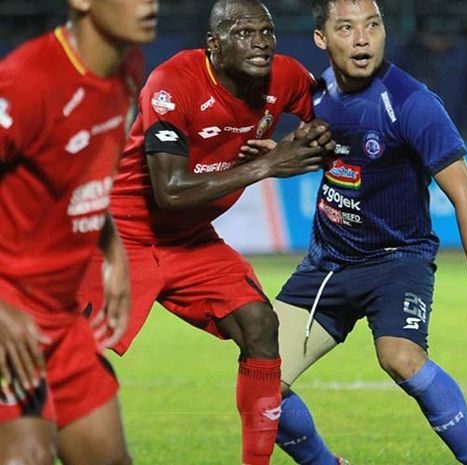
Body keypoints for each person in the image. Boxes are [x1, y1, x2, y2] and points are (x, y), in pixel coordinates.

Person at [250, 0, 467, 463]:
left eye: (372, 25)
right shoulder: (316, 96)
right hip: (327, 265)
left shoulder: (413, 104)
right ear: (322, 38)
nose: (362, 38)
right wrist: (276, 155)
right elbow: (329, 157)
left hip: (397, 261)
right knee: (259, 388)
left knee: (399, 357)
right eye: (347, 27)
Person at [76, 1, 334, 464]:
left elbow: (332, 116)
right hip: (123, 237)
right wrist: (268, 165)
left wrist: (320, 140)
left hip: (191, 241)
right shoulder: (173, 84)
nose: (260, 42)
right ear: (214, 45)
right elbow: (170, 191)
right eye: (244, 32)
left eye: (267, 31)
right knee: (68, 358)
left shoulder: (287, 77)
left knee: (260, 324)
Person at [0, 1, 158, 464]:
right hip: (11, 316)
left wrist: (113, 254)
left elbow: (83, 175)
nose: (149, 3)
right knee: (27, 456)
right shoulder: (28, 82)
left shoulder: (127, 68)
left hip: (61, 318)